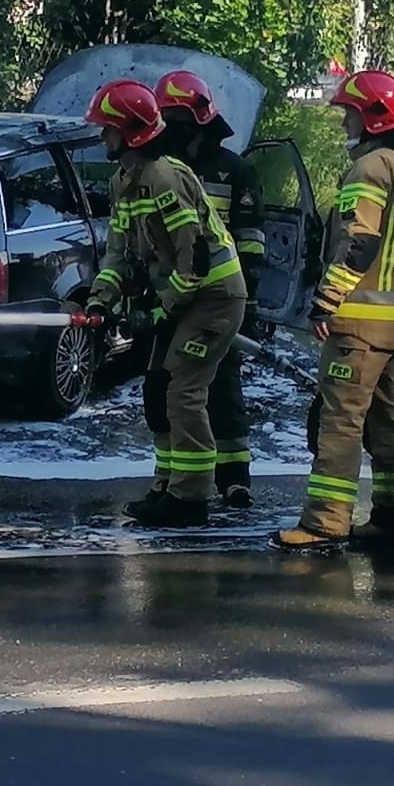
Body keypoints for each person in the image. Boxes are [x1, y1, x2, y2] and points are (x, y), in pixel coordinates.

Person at [272, 70, 394, 555]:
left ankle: (325, 523)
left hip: (359, 327)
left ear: (372, 118)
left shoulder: (368, 170)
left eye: (349, 113)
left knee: (340, 423)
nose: (345, 122)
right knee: (390, 422)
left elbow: (358, 243)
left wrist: (326, 303)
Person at [82, 79, 247, 528]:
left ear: (130, 132)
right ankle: (167, 486)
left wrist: (157, 312)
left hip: (213, 298)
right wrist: (100, 302)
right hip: (183, 299)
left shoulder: (164, 178)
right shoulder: (124, 182)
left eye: (108, 129)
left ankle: (191, 498)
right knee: (157, 390)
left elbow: (194, 261)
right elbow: (118, 255)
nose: (102, 137)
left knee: (183, 391)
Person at [153, 70, 265, 509]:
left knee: (223, 389)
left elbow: (251, 241)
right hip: (175, 297)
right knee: (169, 389)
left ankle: (235, 479)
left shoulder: (235, 170)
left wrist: (249, 302)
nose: (171, 130)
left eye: (177, 121)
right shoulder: (161, 171)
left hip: (219, 298)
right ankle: (173, 478)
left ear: (198, 121)